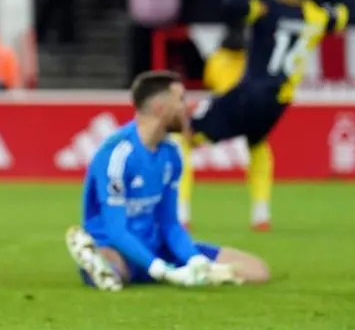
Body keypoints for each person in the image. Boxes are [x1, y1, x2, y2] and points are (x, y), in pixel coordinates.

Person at [177, 0, 350, 231]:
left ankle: (181, 215)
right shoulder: (318, 17)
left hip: (250, 92)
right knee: (257, 144)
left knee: (182, 137)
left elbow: (232, 3)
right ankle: (261, 215)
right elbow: (343, 14)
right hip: (279, 102)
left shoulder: (265, 9)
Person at [65, 70, 270, 291]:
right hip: (118, 248)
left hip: (157, 246)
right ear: (160, 109)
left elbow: (170, 223)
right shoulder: (117, 154)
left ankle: (109, 269)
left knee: (256, 270)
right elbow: (117, 231)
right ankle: (97, 263)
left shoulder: (172, 155)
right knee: (116, 270)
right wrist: (160, 270)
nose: (187, 108)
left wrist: (195, 261)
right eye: (180, 100)